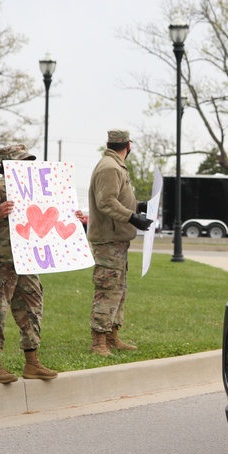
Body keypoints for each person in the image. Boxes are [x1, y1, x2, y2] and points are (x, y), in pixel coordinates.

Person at [0, 144, 60, 384]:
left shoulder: (37, 189)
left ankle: (32, 363)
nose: (26, 166)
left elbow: (52, 214)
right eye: (21, 161)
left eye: (28, 161)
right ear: (7, 165)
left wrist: (72, 218)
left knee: (32, 308)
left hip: (27, 259)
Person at [87, 129, 152, 357]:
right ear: (129, 145)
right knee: (107, 289)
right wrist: (133, 217)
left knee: (118, 290)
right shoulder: (110, 167)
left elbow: (120, 198)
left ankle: (112, 336)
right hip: (108, 240)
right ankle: (98, 342)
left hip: (117, 240)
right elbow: (106, 201)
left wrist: (139, 206)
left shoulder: (114, 165)